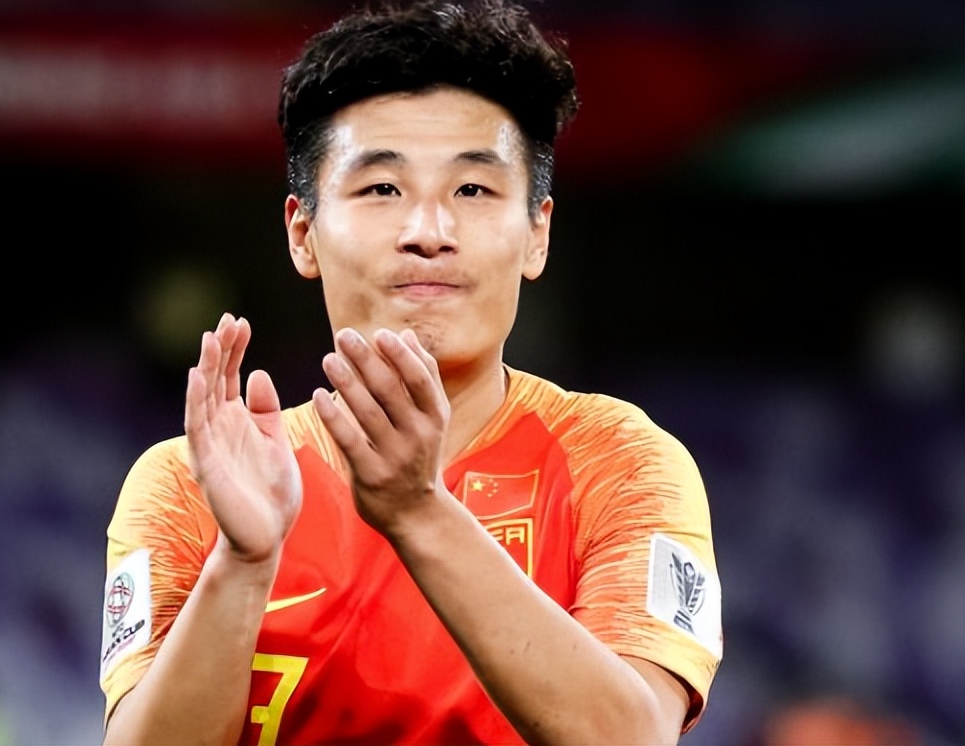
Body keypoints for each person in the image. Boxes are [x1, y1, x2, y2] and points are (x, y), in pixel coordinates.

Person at [98, 1, 723, 743]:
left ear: (537, 233)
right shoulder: (188, 486)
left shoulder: (620, 463)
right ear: (303, 233)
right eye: (381, 189)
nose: (428, 232)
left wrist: (418, 511)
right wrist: (241, 563)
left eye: (473, 190)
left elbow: (633, 736)